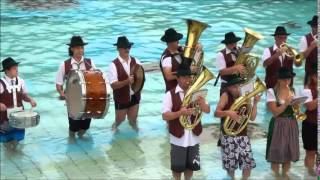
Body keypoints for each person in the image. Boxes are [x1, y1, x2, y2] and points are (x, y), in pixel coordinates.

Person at [162, 65, 210, 180]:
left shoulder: (197, 92)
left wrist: (203, 104)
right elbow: (165, 116)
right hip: (178, 137)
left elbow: (207, 111)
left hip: (194, 135)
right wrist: (180, 113)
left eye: (189, 77)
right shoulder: (170, 94)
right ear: (177, 78)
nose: (188, 80)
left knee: (191, 166)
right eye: (184, 77)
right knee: (177, 168)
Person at [214, 74, 259, 180]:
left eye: (239, 85)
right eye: (235, 86)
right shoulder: (225, 96)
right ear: (229, 87)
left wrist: (255, 103)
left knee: (248, 164)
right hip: (228, 136)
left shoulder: (246, 96)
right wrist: (228, 113)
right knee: (231, 167)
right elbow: (216, 113)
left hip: (243, 135)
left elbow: (252, 118)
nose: (238, 88)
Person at [56, 35, 97, 139]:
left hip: (88, 100)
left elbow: (96, 80)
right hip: (73, 101)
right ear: (72, 49)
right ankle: (71, 142)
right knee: (73, 128)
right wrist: (62, 94)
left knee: (85, 127)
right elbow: (59, 84)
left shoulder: (90, 62)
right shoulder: (65, 65)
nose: (80, 50)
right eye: (78, 48)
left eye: (82, 48)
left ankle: (81, 139)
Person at [266, 67, 299, 178]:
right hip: (278, 124)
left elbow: (296, 111)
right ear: (279, 80)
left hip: (291, 124)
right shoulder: (271, 91)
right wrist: (286, 104)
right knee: (276, 152)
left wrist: (296, 105)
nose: (287, 81)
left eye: (289, 79)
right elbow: (275, 112)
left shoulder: (293, 91)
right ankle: (276, 176)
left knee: (288, 152)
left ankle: (285, 175)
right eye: (284, 79)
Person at [0, 57, 37, 150]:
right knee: (7, 143)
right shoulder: (1, 83)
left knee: (19, 142)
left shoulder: (21, 81)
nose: (17, 70)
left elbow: (24, 96)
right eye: (14, 68)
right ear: (7, 71)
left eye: (17, 68)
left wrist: (30, 100)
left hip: (20, 118)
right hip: (5, 120)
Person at [108, 36, 142, 132]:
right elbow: (113, 85)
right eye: (124, 47)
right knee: (119, 122)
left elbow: (141, 78)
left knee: (133, 121)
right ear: (118, 49)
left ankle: (136, 139)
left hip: (135, 96)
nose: (127, 49)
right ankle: (114, 137)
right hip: (121, 98)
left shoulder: (136, 61)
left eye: (128, 47)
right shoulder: (113, 65)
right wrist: (126, 82)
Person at [160, 28, 201, 92]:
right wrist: (188, 71)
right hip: (174, 93)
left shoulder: (180, 50)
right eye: (176, 40)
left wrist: (198, 47)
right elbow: (168, 76)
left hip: (185, 90)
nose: (178, 42)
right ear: (170, 43)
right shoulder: (167, 58)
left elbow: (195, 56)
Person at [301, 63, 317, 176]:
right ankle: (308, 174)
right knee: (311, 153)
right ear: (312, 76)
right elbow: (310, 106)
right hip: (310, 124)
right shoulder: (306, 89)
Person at [299, 15, 318, 84]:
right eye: (316, 26)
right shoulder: (304, 39)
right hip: (310, 75)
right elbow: (300, 58)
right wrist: (311, 47)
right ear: (311, 26)